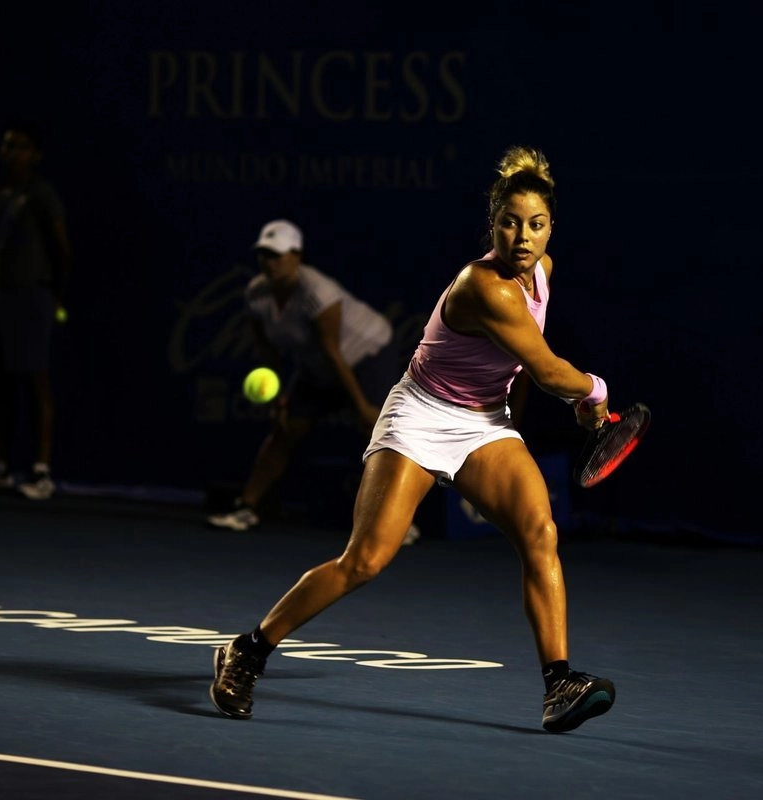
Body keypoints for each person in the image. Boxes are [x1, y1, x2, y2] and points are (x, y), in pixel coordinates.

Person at [208, 145, 618, 734]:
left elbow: (534, 367)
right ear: (492, 224)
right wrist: (595, 393)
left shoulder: (542, 273)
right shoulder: (486, 287)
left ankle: (559, 684)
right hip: (420, 416)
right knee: (366, 560)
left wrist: (572, 400)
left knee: (539, 531)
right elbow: (552, 371)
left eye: (536, 225)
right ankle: (246, 651)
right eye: (509, 222)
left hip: (484, 423)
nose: (522, 238)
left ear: (551, 227)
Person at [207, 219, 419, 546]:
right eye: (264, 255)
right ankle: (246, 508)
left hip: (367, 354)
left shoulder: (318, 292)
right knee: (285, 429)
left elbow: (334, 353)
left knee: (379, 434)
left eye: (277, 255)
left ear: (297, 256)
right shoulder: (256, 294)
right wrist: (278, 397)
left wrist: (363, 407)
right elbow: (269, 354)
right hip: (318, 364)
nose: (270, 262)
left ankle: (401, 522)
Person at [0, 119, 72, 501]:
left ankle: (41, 472)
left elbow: (61, 248)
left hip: (32, 297)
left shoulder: (41, 194)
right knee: (0, 382)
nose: (10, 153)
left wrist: (55, 295)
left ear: (35, 155)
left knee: (36, 382)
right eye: (6, 145)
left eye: (19, 146)